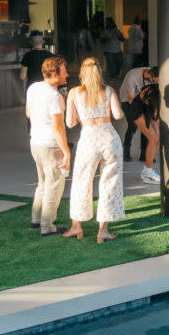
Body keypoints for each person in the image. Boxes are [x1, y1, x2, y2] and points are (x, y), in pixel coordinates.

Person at [64, 57, 125, 243]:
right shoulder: (108, 90)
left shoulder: (74, 93)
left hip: (88, 139)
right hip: (109, 138)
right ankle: (103, 231)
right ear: (99, 73)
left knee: (81, 181)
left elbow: (70, 122)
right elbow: (118, 115)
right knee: (110, 182)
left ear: (82, 73)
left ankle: (77, 227)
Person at [26, 55, 70, 237]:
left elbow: (28, 113)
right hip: (51, 145)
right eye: (64, 70)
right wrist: (67, 152)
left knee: (43, 182)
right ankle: (47, 225)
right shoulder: (55, 96)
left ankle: (36, 220)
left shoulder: (33, 88)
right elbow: (58, 128)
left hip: (35, 142)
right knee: (55, 185)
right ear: (54, 73)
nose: (67, 74)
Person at [119, 65, 157, 162]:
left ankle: (144, 155)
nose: (153, 82)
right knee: (133, 127)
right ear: (148, 74)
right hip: (128, 101)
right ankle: (126, 152)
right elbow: (131, 100)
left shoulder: (153, 74)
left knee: (146, 125)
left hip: (143, 99)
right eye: (152, 80)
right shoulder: (132, 78)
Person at [124, 82, 161, 179]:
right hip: (137, 110)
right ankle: (147, 172)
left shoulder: (160, 91)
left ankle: (147, 170)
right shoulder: (153, 91)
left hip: (147, 110)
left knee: (158, 140)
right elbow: (157, 117)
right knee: (153, 139)